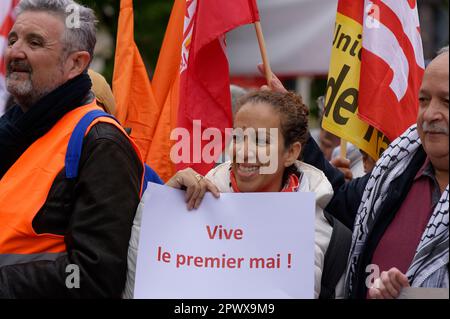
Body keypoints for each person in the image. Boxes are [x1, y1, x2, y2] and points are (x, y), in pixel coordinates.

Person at [0, 0, 214, 298]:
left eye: (34, 42)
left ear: (76, 62)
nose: (15, 51)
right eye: (13, 39)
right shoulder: (15, 130)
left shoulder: (101, 142)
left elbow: (94, 277)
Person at [261, 46, 449, 299]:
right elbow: (336, 196)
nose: (429, 114)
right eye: (424, 100)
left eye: (446, 101)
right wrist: (293, 126)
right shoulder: (396, 173)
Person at [205, 90, 351, 299]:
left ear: (291, 153)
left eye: (262, 141)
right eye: (238, 137)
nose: (245, 151)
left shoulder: (331, 239)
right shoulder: (196, 207)